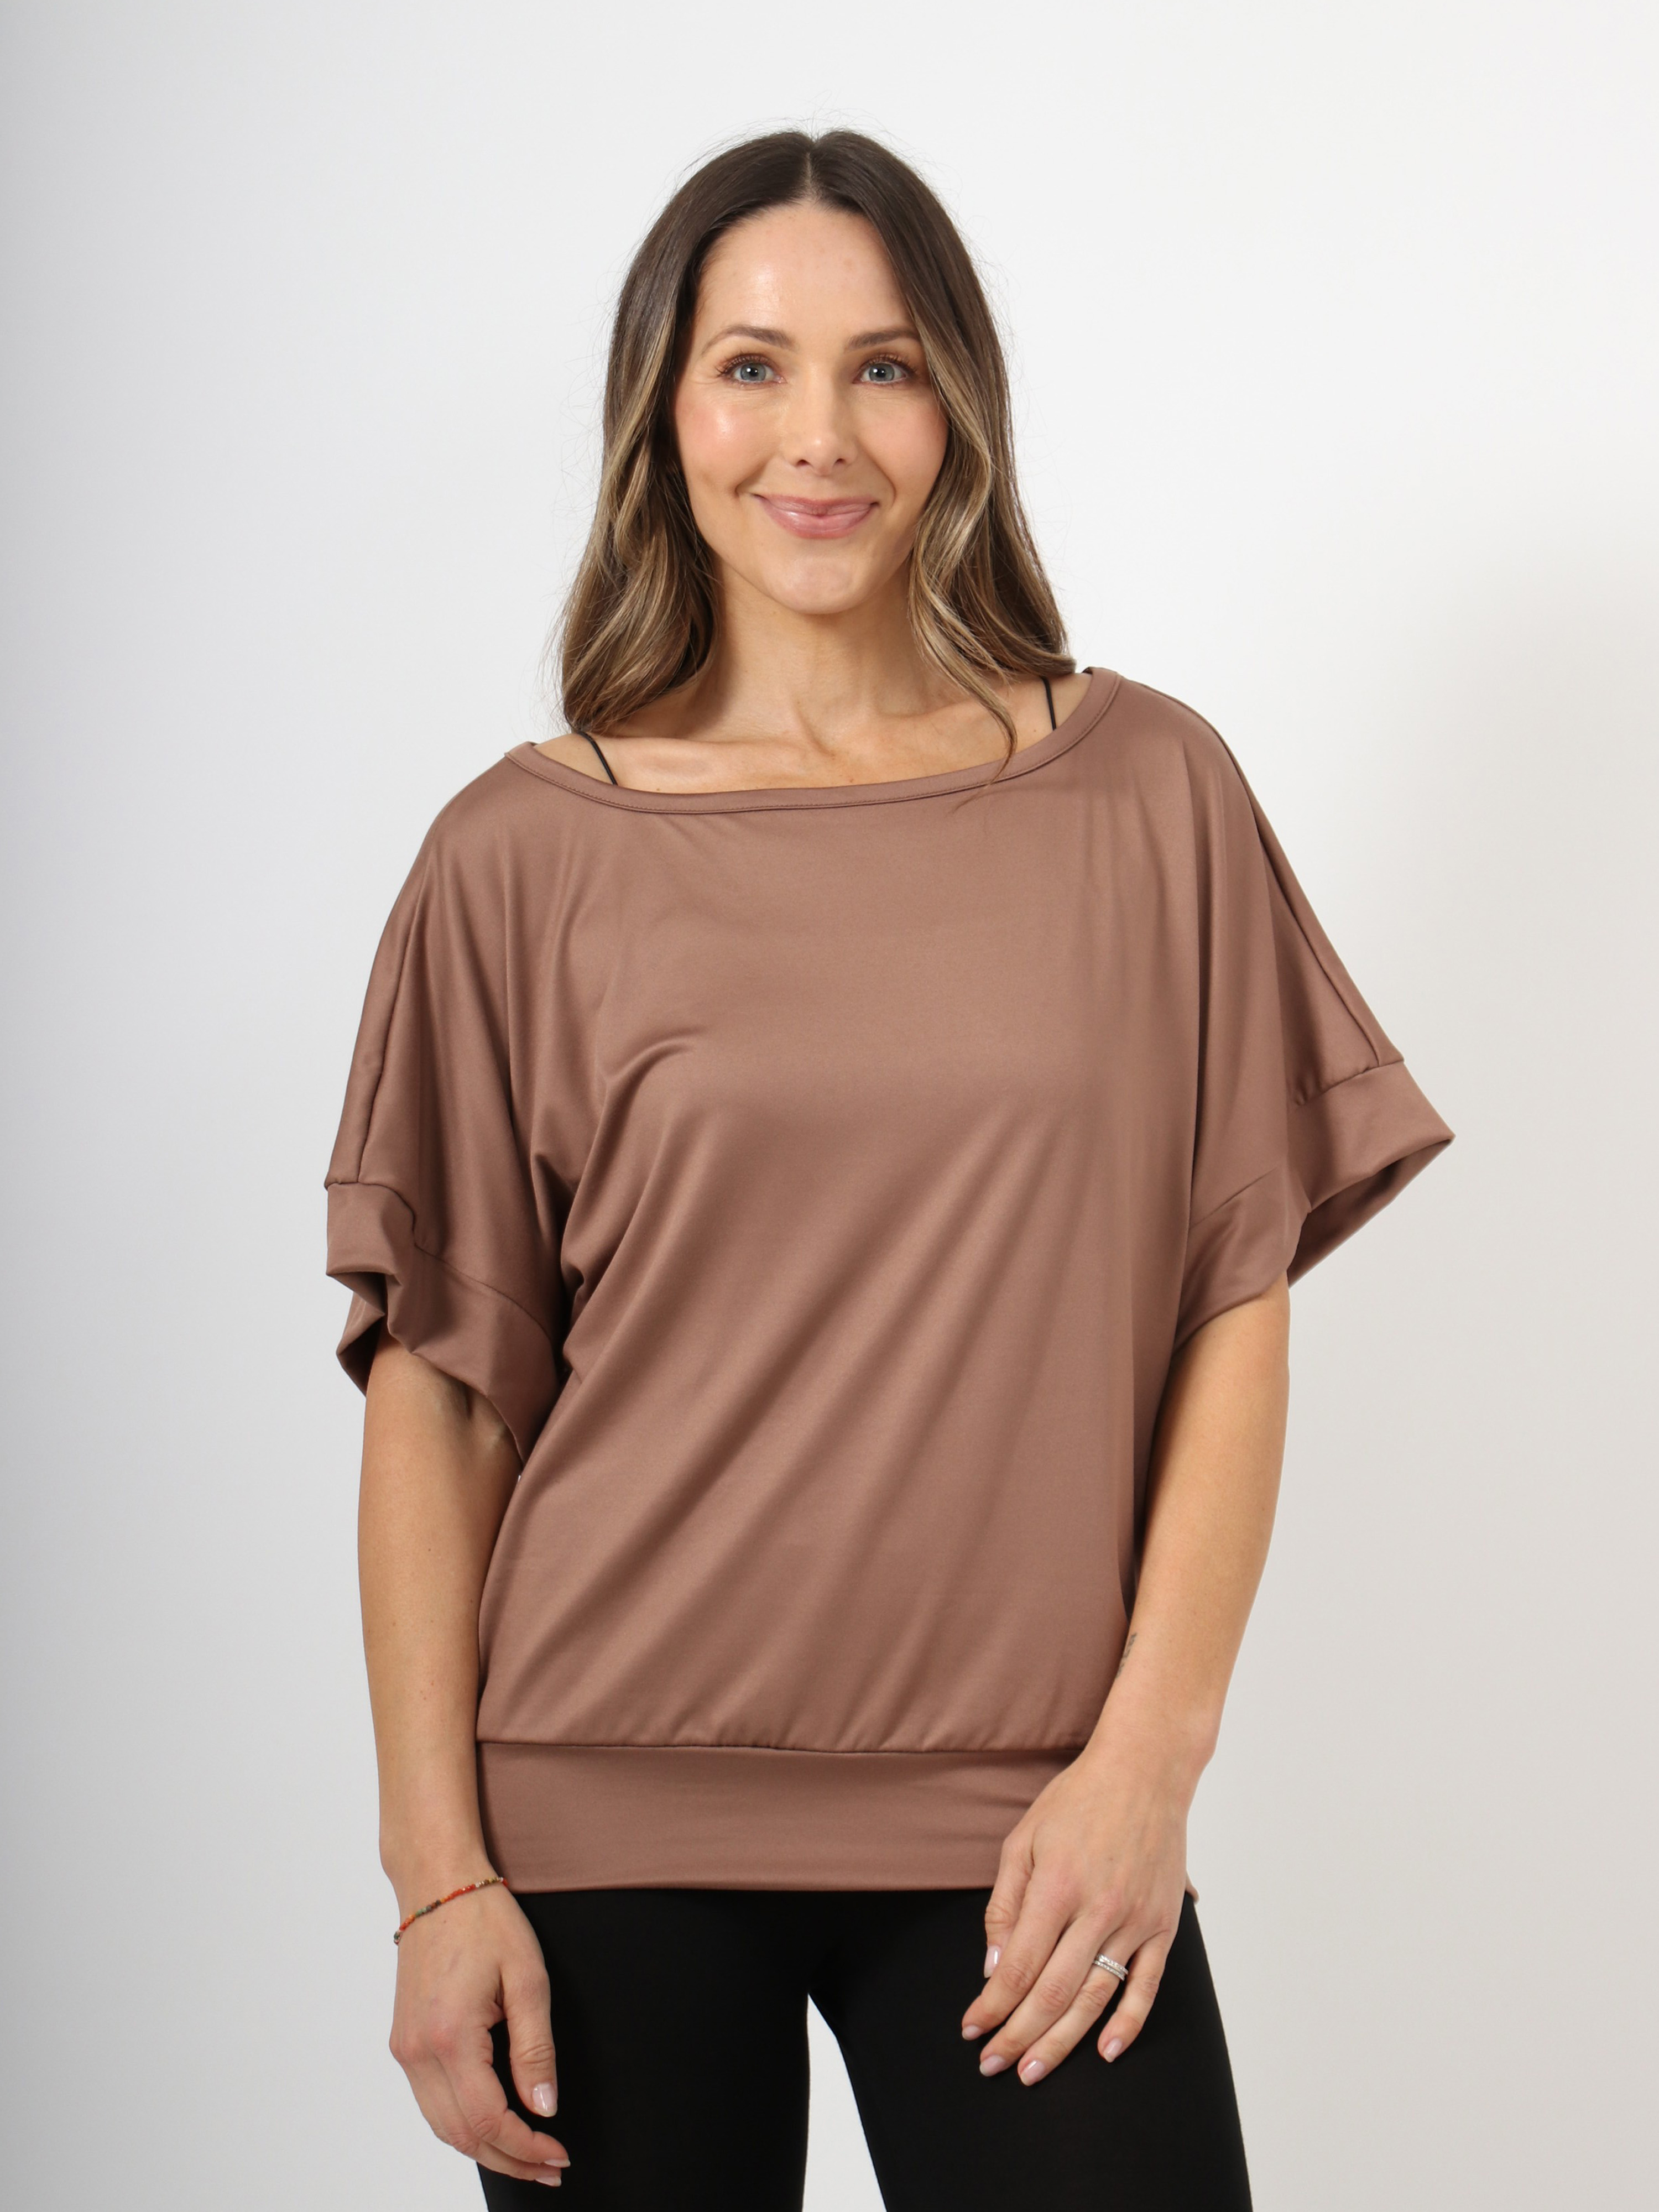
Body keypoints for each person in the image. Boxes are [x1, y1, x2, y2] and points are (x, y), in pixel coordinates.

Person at [324, 129, 1452, 2210]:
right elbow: (446, 1396)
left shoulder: (1149, 794)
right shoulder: (519, 856)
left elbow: (1232, 1299)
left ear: (960, 411)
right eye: (752, 367)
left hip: (1033, 1819)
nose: (819, 437)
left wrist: (1148, 1765)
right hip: (604, 1824)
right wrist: (438, 1879)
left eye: (886, 367)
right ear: (664, 414)